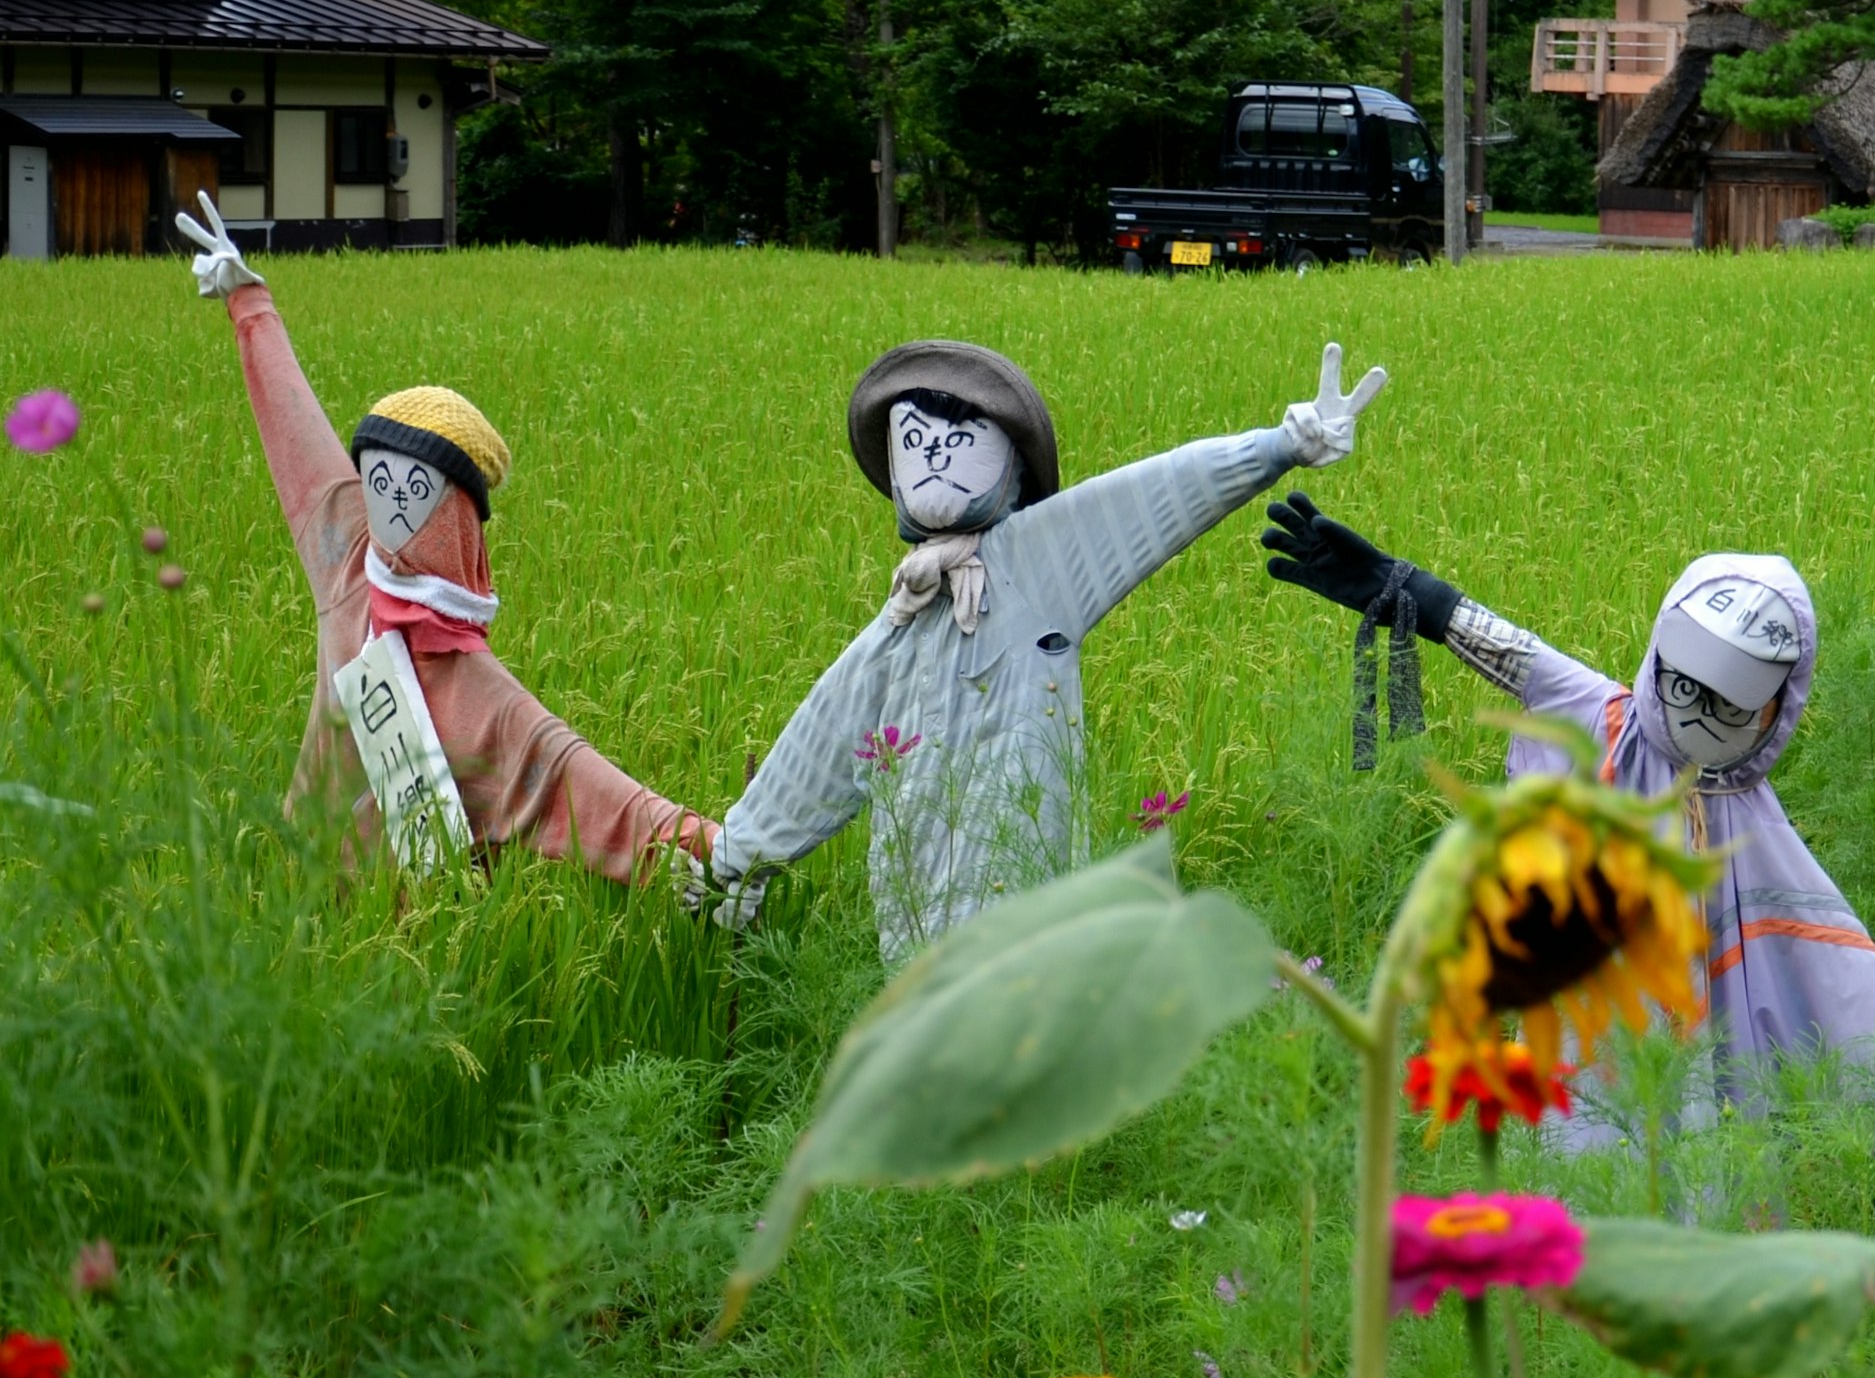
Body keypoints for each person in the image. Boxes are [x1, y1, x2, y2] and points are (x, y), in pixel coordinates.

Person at [696, 339, 1385, 955]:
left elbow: (1151, 495)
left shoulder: (1040, 560)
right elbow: (823, 735)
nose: (935, 454)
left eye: (961, 436)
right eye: (915, 438)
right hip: (908, 936)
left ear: (1014, 466)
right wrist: (738, 857)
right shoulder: (902, 617)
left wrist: (1276, 447)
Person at [1260, 504, 1875, 1096]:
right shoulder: (1604, 724)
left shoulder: (1750, 819)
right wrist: (1403, 590)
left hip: (1718, 1095)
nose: (1699, 711)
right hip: (1596, 1057)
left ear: (1776, 708)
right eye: (1687, 681)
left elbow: (1839, 971)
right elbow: (1507, 649)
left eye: (1732, 697)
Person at [172, 193, 713, 881]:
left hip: (420, 940)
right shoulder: (348, 561)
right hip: (301, 896)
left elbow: (589, 788)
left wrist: (711, 851)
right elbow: (297, 441)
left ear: (456, 507)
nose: (392, 498)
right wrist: (250, 303)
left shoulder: (481, 695)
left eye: (416, 485)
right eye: (378, 476)